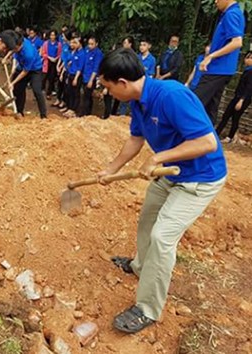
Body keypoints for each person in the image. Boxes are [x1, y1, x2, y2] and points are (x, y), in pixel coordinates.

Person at [98, 48, 227, 334]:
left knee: (161, 237)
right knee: (147, 220)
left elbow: (207, 142)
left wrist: (157, 157)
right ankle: (141, 267)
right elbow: (135, 139)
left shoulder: (171, 96)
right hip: (171, 173)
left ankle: (147, 309)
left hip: (199, 179)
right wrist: (111, 169)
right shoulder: (138, 102)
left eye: (107, 87)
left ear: (122, 83)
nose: (107, 93)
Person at [194, 0, 245, 124]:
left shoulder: (231, 14)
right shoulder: (233, 13)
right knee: (210, 108)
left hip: (218, 68)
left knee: (194, 102)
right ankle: (210, 140)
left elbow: (237, 42)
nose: (215, 1)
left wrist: (211, 56)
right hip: (223, 70)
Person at [216, 51, 252, 143]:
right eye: (247, 57)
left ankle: (228, 137)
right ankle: (219, 134)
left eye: (250, 58)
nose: (248, 60)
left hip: (243, 98)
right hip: (238, 96)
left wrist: (241, 100)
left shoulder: (251, 72)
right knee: (227, 115)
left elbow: (249, 88)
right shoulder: (247, 70)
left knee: (234, 117)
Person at [9, 33, 48, 119]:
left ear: (20, 45)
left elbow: (25, 72)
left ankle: (43, 115)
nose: (14, 49)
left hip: (35, 69)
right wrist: (7, 57)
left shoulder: (28, 53)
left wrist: (12, 82)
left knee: (37, 90)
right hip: (23, 67)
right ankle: (19, 112)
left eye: (16, 48)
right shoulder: (18, 44)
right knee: (18, 89)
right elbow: (13, 51)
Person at [61, 36, 85, 118]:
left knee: (76, 93)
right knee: (69, 92)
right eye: (72, 42)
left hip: (76, 75)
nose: (73, 44)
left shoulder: (82, 54)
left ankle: (74, 110)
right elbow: (69, 60)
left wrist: (76, 78)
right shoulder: (74, 52)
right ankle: (70, 108)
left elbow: (80, 67)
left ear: (80, 44)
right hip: (70, 74)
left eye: (75, 43)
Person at [80, 35, 103, 117]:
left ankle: (86, 114)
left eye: (92, 44)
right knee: (85, 96)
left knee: (87, 97)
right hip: (84, 76)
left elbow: (96, 68)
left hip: (91, 78)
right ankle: (85, 112)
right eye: (89, 44)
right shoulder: (86, 50)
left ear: (96, 44)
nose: (89, 46)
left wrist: (91, 80)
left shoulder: (98, 53)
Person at [52, 31, 72, 109]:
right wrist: (58, 65)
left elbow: (67, 60)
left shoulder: (70, 47)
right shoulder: (64, 45)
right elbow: (61, 56)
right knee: (59, 85)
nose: (62, 38)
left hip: (65, 69)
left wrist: (61, 68)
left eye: (63, 36)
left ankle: (63, 101)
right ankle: (58, 99)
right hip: (61, 66)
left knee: (64, 86)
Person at [41, 30, 62, 100]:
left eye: (54, 35)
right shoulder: (46, 43)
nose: (52, 37)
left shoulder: (58, 44)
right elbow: (43, 53)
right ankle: (41, 90)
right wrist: (49, 57)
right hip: (47, 62)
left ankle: (49, 93)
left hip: (54, 62)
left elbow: (60, 54)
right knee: (44, 77)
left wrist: (56, 58)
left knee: (52, 78)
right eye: (51, 35)